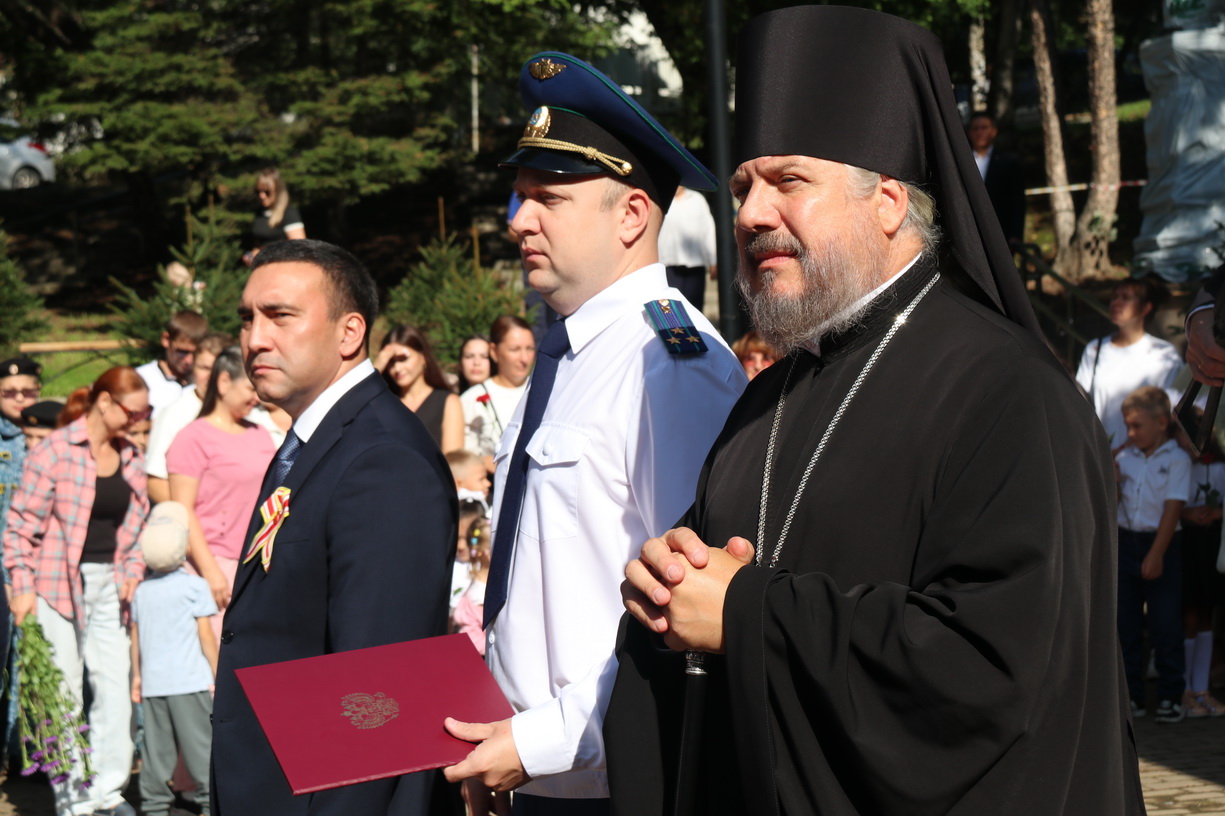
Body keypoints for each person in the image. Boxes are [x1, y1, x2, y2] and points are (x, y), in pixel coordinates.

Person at [609, 7, 1143, 814]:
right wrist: (664, 588)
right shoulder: (765, 400)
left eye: (788, 181)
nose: (749, 213)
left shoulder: (1008, 393)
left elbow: (997, 671)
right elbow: (706, 604)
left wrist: (747, 612)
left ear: (888, 202)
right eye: (745, 185)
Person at [441, 52, 746, 815]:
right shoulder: (568, 352)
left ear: (632, 216)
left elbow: (682, 612)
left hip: (612, 783)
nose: (517, 221)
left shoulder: (668, 367)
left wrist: (539, 744)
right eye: (518, 197)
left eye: (546, 197)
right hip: (531, 768)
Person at [211, 239, 457, 816]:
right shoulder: (310, 442)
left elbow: (378, 693)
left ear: (349, 334)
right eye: (247, 318)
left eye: (281, 316)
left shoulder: (382, 459)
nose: (255, 339)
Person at [3, 366, 151, 816]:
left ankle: (107, 791)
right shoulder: (55, 452)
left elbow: (136, 526)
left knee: (113, 689)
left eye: (146, 413)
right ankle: (73, 799)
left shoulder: (132, 458)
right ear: (104, 403)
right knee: (62, 694)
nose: (139, 421)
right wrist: (22, 588)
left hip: (110, 586)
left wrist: (132, 567)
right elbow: (19, 528)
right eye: (133, 411)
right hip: (55, 583)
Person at [166, 346, 277, 638]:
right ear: (224, 381)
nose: (257, 396)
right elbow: (182, 510)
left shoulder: (260, 433)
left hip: (259, 561)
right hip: (214, 566)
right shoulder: (192, 438)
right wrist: (211, 571)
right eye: (250, 387)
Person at [130, 501, 218, 816]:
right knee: (201, 750)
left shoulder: (142, 592)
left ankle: (153, 807)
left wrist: (137, 677)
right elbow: (205, 635)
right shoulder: (195, 587)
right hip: (189, 682)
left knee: (155, 753)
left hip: (154, 685)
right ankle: (212, 805)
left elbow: (136, 638)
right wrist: (218, 671)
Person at [1116, 386, 1191, 723]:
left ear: (1162, 422)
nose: (1130, 433)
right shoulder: (1123, 458)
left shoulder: (1177, 459)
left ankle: (1171, 695)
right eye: (1127, 426)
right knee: (1125, 625)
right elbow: (1115, 504)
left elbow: (1173, 508)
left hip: (1162, 545)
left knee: (1165, 624)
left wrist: (1157, 553)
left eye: (1137, 426)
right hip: (1125, 542)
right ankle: (1131, 696)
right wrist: (1111, 479)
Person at [1075, 277, 1181, 449]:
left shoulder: (1164, 353)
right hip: (1103, 456)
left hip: (1147, 460)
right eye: (1114, 297)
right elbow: (1081, 402)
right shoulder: (1095, 348)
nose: (1116, 302)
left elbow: (1168, 410)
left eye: (1126, 297)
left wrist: (1123, 452)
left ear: (1146, 308)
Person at [1174, 419, 1225, 717]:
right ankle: (1184, 690)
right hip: (1185, 545)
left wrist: (1217, 512)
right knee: (1188, 615)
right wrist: (1186, 513)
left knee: (1206, 614)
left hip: (1211, 547)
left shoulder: (1219, 467)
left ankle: (1201, 690)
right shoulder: (1176, 463)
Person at [145, 332, 231, 504]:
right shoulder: (175, 414)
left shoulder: (249, 412)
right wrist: (193, 520)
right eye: (204, 368)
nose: (210, 377)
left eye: (216, 370)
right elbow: (154, 482)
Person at [459, 316, 536, 470]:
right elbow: (461, 459)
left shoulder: (542, 390)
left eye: (529, 349)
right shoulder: (471, 399)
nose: (524, 358)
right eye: (515, 349)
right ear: (494, 351)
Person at [375, 325, 464, 453]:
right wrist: (377, 365)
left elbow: (453, 462)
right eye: (391, 362)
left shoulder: (447, 401)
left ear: (423, 357)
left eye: (403, 359)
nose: (397, 368)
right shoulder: (384, 402)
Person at [966, 110, 1026, 249]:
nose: (980, 132)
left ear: (993, 131)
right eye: (975, 128)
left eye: (984, 128)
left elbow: (1017, 201)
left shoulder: (1009, 162)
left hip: (1001, 233)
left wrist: (1016, 235)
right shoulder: (961, 163)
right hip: (971, 234)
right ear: (969, 133)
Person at [136, 310, 208, 419]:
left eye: (195, 353)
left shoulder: (206, 382)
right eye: (182, 351)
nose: (189, 360)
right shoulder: (141, 379)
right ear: (166, 340)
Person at [658, 186, 717, 310]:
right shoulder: (661, 198)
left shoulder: (697, 199)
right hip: (668, 263)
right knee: (672, 307)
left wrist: (713, 260)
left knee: (694, 307)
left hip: (695, 264)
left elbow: (708, 230)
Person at [247, 167, 306, 256]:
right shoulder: (259, 212)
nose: (261, 196)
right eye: (258, 191)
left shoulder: (289, 213)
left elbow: (300, 248)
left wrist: (264, 254)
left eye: (267, 192)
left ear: (277, 191)